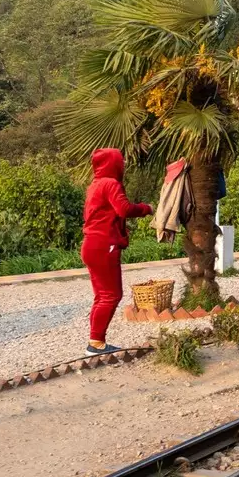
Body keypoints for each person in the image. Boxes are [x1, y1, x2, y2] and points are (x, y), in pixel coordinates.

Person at [82, 147, 152, 356]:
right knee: (111, 295)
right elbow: (124, 209)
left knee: (101, 295)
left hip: (91, 244)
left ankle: (96, 340)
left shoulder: (94, 185)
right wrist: (146, 208)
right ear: (112, 164)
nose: (124, 165)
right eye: (121, 161)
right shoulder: (111, 184)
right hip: (104, 245)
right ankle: (96, 343)